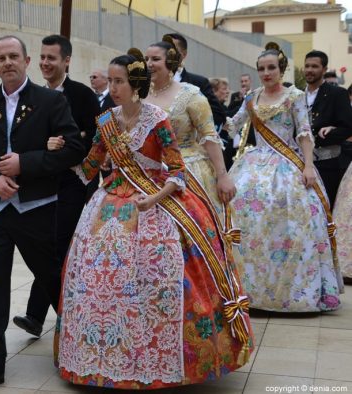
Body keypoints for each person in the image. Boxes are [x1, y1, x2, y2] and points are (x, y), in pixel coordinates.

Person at [56, 51, 253, 390]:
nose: (113, 87)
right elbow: (89, 167)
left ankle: (158, 357)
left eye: (119, 81)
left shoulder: (157, 119)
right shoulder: (107, 120)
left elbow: (177, 170)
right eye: (112, 80)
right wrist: (60, 149)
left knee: (156, 278)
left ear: (135, 85)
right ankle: (101, 357)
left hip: (155, 206)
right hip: (109, 206)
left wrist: (155, 199)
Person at [0, 35, 85, 392]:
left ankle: (84, 348)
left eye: (14, 56)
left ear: (27, 61)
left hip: (37, 208)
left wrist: (24, 164)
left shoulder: (50, 101)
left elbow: (74, 147)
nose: (8, 62)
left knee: (51, 279)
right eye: (1, 58)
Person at [226, 43, 342, 312]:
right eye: (261, 69)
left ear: (281, 69)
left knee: (296, 222)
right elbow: (235, 123)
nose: (266, 73)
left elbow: (303, 132)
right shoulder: (251, 97)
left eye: (271, 68)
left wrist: (309, 166)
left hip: (288, 164)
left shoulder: (295, 96)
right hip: (254, 164)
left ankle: (295, 290)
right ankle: (250, 289)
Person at [11, 34, 100, 338]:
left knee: (57, 247)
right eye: (43, 57)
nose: (46, 63)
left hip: (73, 182)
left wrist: (64, 148)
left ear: (67, 61)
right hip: (39, 185)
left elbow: (95, 140)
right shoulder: (31, 97)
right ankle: (54, 314)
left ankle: (45, 315)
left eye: (52, 58)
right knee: (47, 248)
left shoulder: (83, 96)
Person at [144, 38, 236, 222]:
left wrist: (222, 176)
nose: (149, 64)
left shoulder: (190, 94)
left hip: (189, 170)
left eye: (155, 59)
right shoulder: (140, 94)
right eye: (146, 59)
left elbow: (210, 137)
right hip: (149, 170)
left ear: (171, 62)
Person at [304, 50, 352, 207]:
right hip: (300, 165)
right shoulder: (296, 95)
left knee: (327, 211)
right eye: (307, 66)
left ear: (324, 69)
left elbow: (348, 127)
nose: (310, 70)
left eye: (314, 66)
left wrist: (330, 132)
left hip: (328, 165)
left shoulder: (337, 93)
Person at [166, 33, 225, 129]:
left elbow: (218, 116)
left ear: (184, 54)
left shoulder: (199, 83)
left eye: (173, 50)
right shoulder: (150, 83)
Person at [210, 77, 237, 169]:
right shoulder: (209, 109)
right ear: (214, 91)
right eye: (224, 89)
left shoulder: (223, 108)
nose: (228, 91)